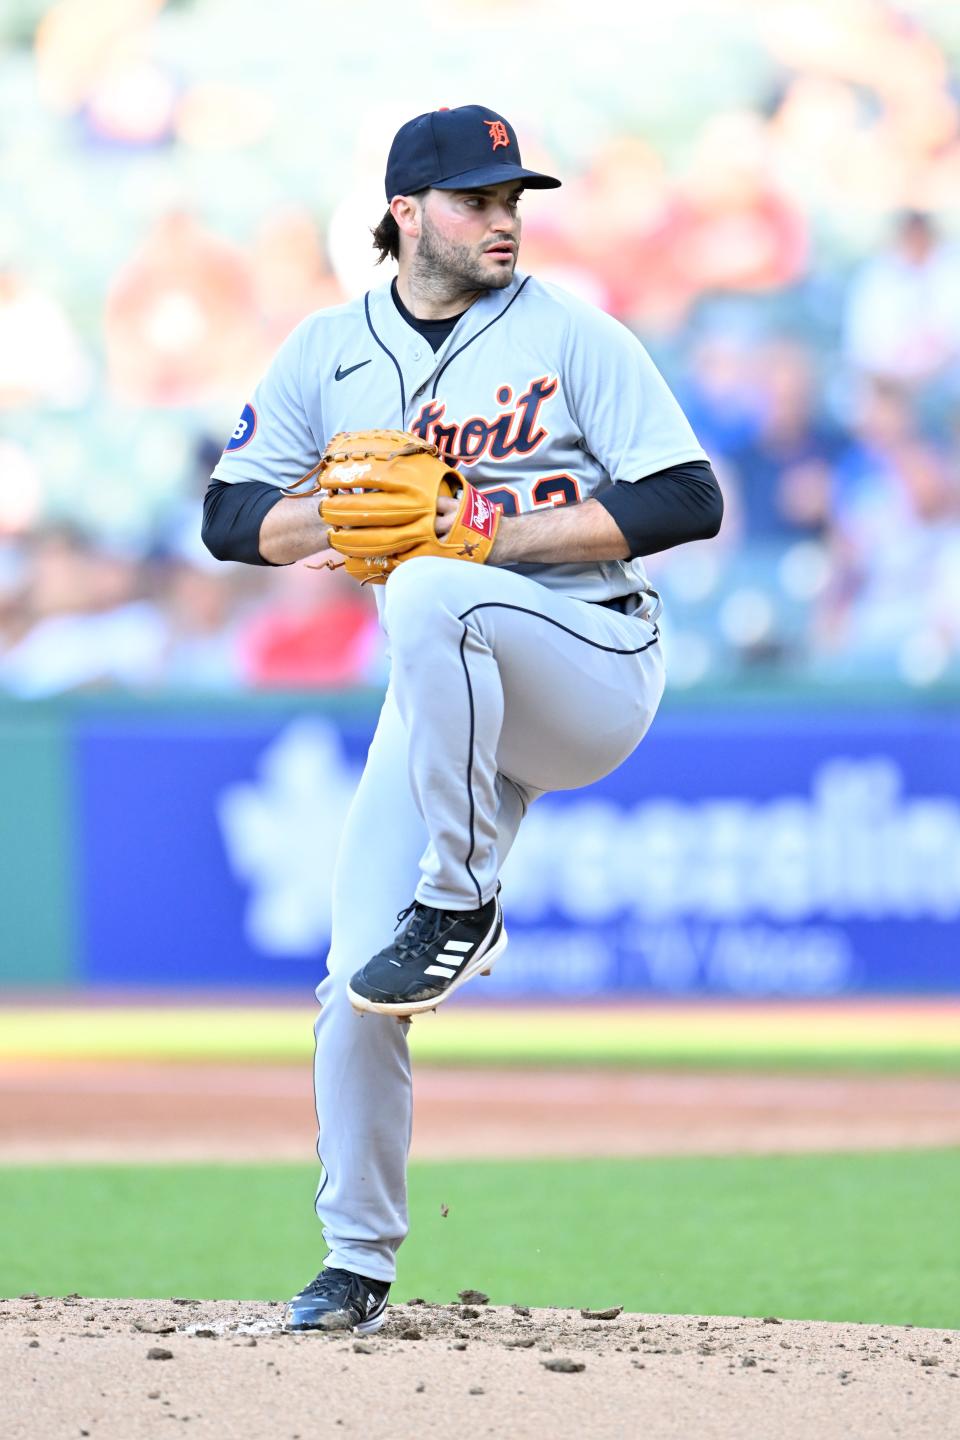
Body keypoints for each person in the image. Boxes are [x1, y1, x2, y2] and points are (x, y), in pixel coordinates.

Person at [202, 104, 723, 1333]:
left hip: (588, 657)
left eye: (513, 199)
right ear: (405, 213)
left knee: (438, 583)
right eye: (479, 199)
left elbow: (687, 497)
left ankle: (459, 894)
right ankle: (355, 1265)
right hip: (448, 700)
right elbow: (230, 522)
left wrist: (486, 534)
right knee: (350, 987)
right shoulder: (327, 351)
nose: (505, 219)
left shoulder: (571, 335)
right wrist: (347, 521)